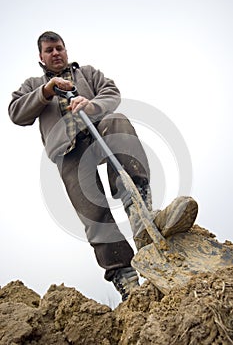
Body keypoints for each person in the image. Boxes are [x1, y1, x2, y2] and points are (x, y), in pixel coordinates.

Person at [8, 31, 198, 301]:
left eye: (59, 48)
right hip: (68, 151)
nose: (55, 53)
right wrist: (45, 92)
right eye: (49, 50)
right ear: (41, 57)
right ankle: (126, 278)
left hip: (99, 129)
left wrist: (92, 105)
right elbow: (16, 112)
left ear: (66, 50)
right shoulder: (33, 85)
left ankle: (138, 205)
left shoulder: (87, 73)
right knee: (93, 214)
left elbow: (111, 92)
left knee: (117, 121)